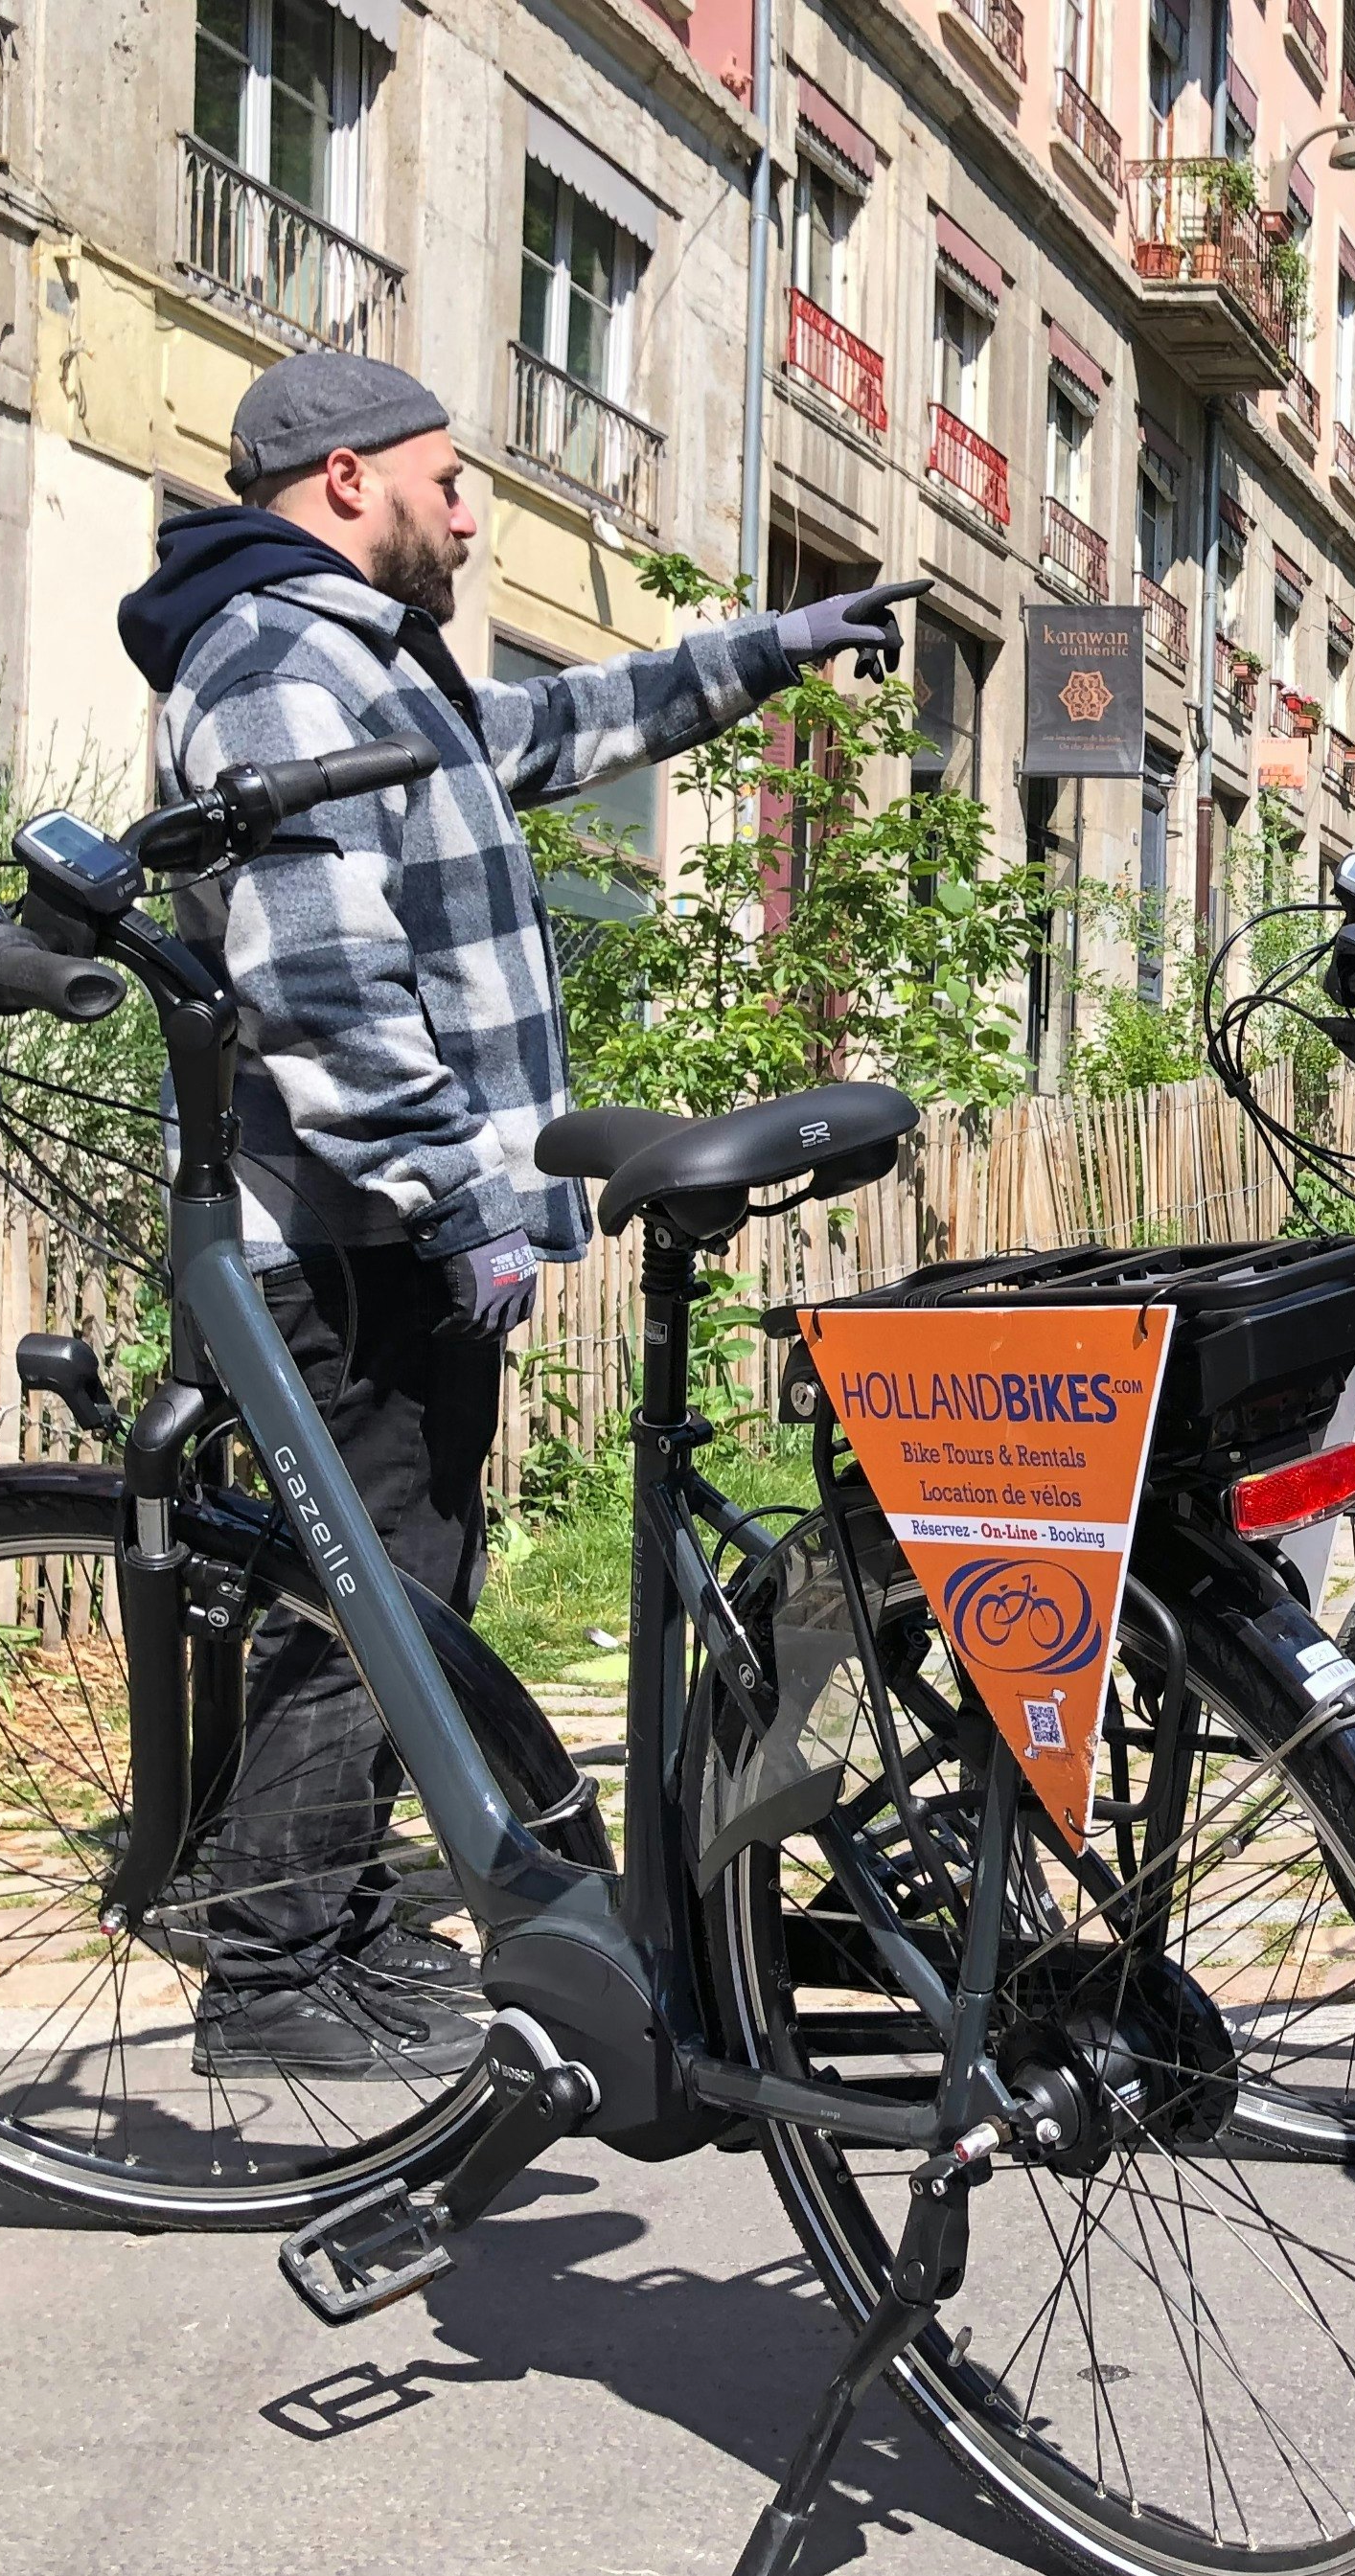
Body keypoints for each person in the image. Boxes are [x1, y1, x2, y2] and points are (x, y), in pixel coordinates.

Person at [115, 350, 930, 2079]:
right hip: (348, 1230)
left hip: (390, 1223)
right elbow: (321, 980)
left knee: (411, 1578)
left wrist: (764, 653)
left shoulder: (355, 660)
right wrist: (456, 1191)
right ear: (346, 481)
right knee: (375, 1588)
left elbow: (545, 735)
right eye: (450, 476)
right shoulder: (269, 659)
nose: (473, 511)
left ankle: (332, 1924)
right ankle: (270, 1973)